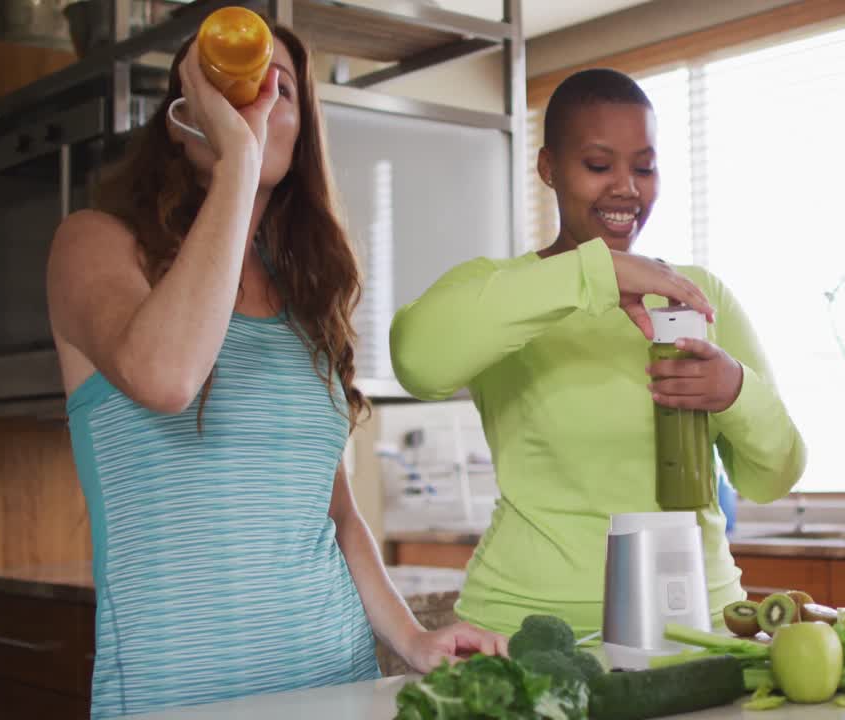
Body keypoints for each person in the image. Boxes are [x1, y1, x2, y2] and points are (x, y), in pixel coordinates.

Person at [46, 25, 504, 718]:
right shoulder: (95, 245)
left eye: (279, 90)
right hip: (173, 700)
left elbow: (338, 513)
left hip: (334, 687)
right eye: (228, 87)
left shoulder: (308, 304)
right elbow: (166, 376)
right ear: (182, 118)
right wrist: (237, 160)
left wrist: (412, 639)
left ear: (303, 133)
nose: (254, 106)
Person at [390, 68, 807, 638]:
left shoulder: (695, 294)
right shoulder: (504, 291)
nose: (626, 188)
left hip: (697, 626)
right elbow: (418, 362)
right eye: (598, 165)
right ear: (548, 168)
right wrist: (595, 273)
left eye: (643, 167)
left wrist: (735, 390)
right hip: (523, 633)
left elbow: (773, 478)